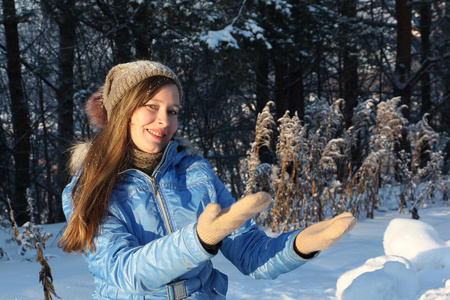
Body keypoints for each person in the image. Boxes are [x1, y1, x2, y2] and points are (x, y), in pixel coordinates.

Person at [58, 60, 356, 300]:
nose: (165, 120)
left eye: (172, 111)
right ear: (124, 111)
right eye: (152, 106)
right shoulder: (89, 188)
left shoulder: (195, 173)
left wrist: (301, 244)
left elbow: (250, 255)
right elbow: (125, 271)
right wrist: (198, 240)